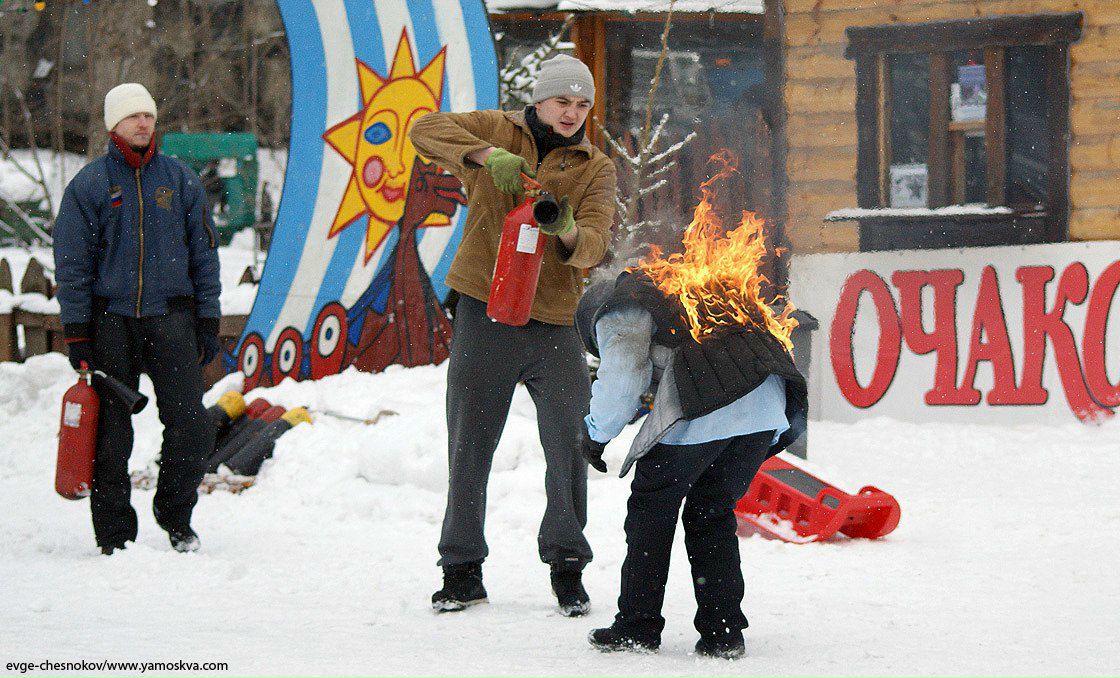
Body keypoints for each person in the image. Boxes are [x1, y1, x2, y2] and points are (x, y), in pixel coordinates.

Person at [408, 54, 617, 616]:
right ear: (540, 100)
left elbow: (596, 239)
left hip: (553, 323)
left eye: (581, 104)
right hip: (486, 311)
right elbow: (423, 129)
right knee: (469, 446)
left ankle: (568, 568)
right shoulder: (499, 129)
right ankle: (461, 568)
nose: (572, 113)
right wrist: (484, 155)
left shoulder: (594, 166)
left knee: (568, 445)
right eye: (562, 101)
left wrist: (569, 229)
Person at [574, 270, 807, 658]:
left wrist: (596, 434)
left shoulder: (618, 310)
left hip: (709, 399)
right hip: (767, 403)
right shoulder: (686, 281)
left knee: (652, 512)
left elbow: (623, 382)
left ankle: (638, 627)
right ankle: (724, 631)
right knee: (711, 513)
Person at [53, 83, 221, 556]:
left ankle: (175, 516)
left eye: (148, 115)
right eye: (132, 117)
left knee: (191, 425)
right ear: (114, 126)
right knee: (111, 434)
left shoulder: (181, 180)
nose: (143, 123)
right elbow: (72, 263)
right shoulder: (89, 185)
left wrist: (207, 317)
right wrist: (77, 332)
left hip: (172, 317)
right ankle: (114, 535)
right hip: (111, 321)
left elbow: (204, 255)